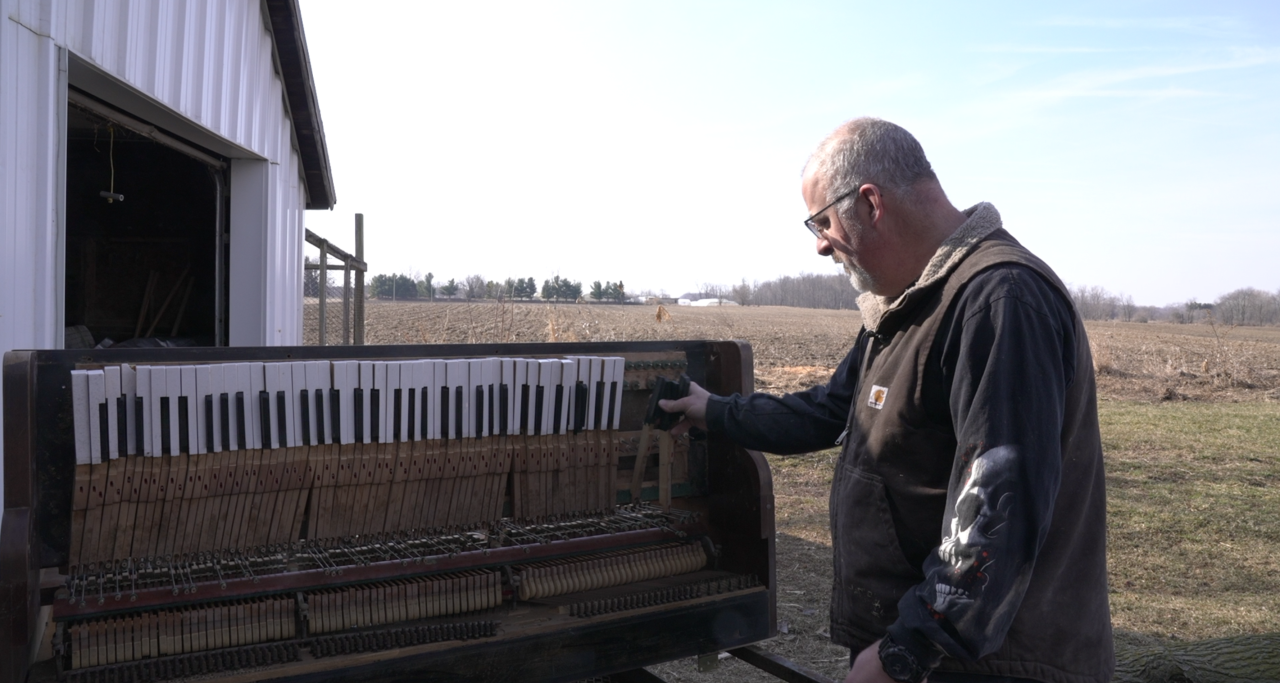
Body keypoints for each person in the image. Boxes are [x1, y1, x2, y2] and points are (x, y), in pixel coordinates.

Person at [660, 118, 1113, 683]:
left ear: (870, 203)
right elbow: (831, 410)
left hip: (984, 665)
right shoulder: (907, 306)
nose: (822, 245)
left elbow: (1001, 506)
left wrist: (909, 650)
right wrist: (716, 411)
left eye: (822, 222)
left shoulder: (999, 300)